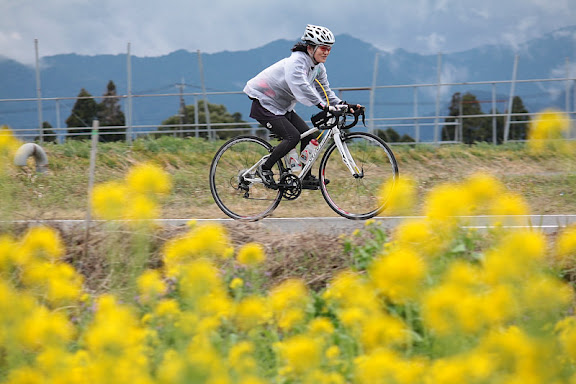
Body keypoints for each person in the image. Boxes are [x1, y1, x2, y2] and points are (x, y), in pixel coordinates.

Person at [243, 24, 362, 189]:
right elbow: (303, 87)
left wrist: (345, 106)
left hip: (282, 107)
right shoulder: (296, 62)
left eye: (329, 48)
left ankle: (305, 177)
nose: (326, 52)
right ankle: (264, 168)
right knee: (292, 137)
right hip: (264, 103)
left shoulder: (318, 68)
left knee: (307, 135)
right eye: (323, 48)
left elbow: (326, 92)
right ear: (310, 47)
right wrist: (324, 107)